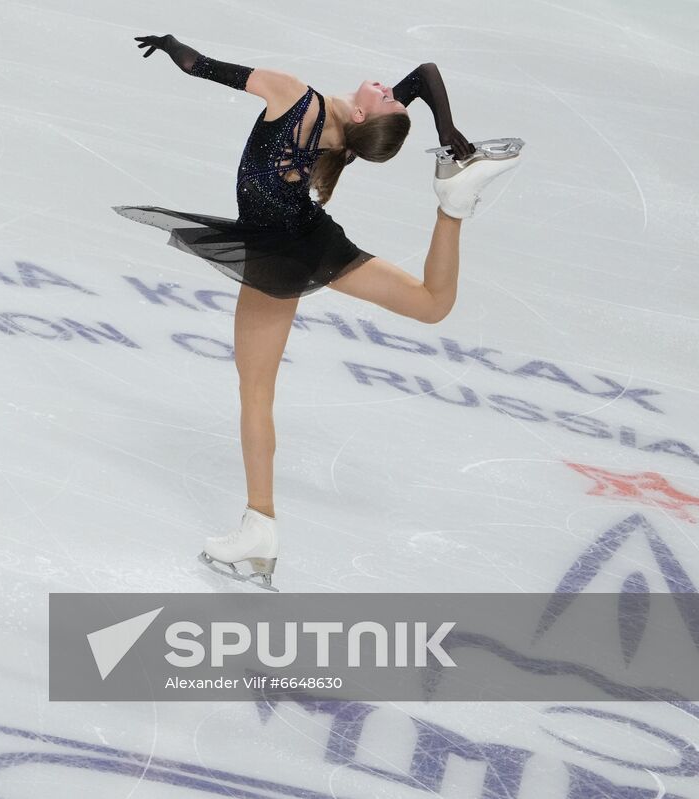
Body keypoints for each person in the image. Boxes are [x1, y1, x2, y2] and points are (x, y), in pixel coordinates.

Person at [114, 34, 523, 590]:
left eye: (387, 98)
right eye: (392, 97)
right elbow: (425, 75)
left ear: (361, 112)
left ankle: (259, 530)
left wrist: (169, 43)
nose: (389, 90)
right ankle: (453, 203)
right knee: (432, 305)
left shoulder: (296, 97)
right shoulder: (349, 127)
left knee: (255, 394)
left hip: (277, 256)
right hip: (314, 241)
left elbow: (200, 66)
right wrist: (449, 138)